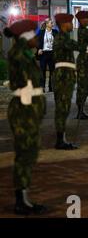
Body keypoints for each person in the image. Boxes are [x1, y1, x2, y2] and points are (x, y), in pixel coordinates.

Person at [5, 20, 47, 215]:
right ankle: (21, 200)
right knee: (25, 153)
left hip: (29, 109)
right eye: (33, 35)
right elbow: (17, 59)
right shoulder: (19, 53)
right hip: (23, 109)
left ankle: (24, 197)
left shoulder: (26, 54)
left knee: (29, 152)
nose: (37, 39)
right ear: (25, 38)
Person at [53, 13, 79, 150]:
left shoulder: (64, 37)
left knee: (64, 108)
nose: (72, 25)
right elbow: (76, 45)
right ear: (64, 24)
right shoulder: (61, 38)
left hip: (66, 76)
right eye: (70, 22)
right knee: (62, 109)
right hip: (62, 77)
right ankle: (60, 141)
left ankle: (61, 138)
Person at [75, 11, 88, 119]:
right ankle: (80, 111)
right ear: (81, 20)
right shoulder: (83, 31)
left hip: (86, 60)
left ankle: (81, 110)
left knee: (86, 85)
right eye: (86, 18)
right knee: (83, 86)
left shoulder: (85, 30)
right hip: (84, 61)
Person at [37, 18, 57, 92]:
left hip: (52, 53)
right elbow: (37, 41)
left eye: (52, 23)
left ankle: (51, 87)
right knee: (42, 71)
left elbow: (58, 41)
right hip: (43, 53)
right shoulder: (41, 32)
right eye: (51, 23)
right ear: (47, 24)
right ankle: (42, 87)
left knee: (52, 71)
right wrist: (39, 48)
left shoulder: (55, 32)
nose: (52, 24)